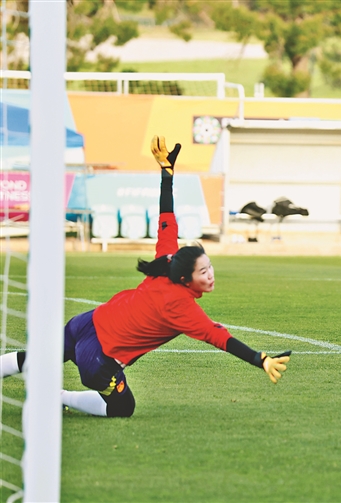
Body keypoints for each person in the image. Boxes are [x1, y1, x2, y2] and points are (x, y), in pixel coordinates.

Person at [0, 136, 291, 417]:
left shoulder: (167, 260)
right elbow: (219, 338)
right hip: (98, 358)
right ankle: (58, 398)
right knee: (122, 408)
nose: (211, 275)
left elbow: (167, 216)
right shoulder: (181, 307)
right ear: (186, 279)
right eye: (203, 271)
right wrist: (260, 359)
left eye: (210, 266)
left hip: (85, 323)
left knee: (37, 358)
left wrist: (167, 174)